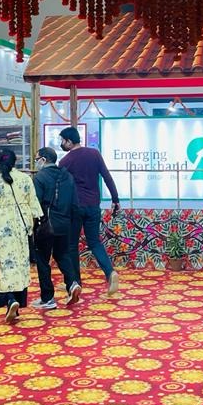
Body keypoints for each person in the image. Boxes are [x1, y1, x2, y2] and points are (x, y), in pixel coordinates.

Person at [58, 126, 121, 295]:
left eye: (62, 140)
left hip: (75, 207)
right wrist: (115, 199)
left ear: (69, 141)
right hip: (93, 205)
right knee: (95, 242)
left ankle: (75, 283)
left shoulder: (65, 162)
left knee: (72, 245)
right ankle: (110, 272)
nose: (61, 143)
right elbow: (107, 177)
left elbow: (61, 187)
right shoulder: (94, 154)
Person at [0, 148, 41, 324]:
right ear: (15, 161)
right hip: (22, 227)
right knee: (20, 265)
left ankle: (9, 300)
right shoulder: (25, 179)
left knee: (3, 265)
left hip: (1, 228)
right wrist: (31, 227)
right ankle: (17, 301)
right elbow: (35, 206)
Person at [30, 147, 82, 310]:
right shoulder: (68, 176)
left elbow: (36, 204)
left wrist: (33, 226)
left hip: (46, 225)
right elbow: (75, 203)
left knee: (42, 260)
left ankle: (48, 298)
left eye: (37, 159)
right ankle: (72, 283)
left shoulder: (40, 177)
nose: (36, 162)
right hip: (65, 223)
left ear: (43, 160)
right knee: (63, 255)